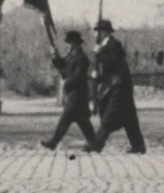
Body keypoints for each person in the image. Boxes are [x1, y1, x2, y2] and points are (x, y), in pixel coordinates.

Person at [90, 19, 146, 154]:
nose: (95, 34)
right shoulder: (102, 46)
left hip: (120, 84)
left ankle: (96, 144)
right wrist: (96, 72)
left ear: (104, 32)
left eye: (97, 31)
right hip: (113, 85)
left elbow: (112, 61)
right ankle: (138, 145)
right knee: (129, 118)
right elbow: (104, 68)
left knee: (109, 115)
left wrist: (100, 51)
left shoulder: (115, 44)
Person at [41, 31, 97, 150]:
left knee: (66, 118)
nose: (67, 45)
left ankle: (53, 142)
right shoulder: (72, 55)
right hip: (74, 93)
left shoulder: (82, 57)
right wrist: (55, 56)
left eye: (69, 43)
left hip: (78, 94)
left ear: (75, 43)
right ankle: (94, 142)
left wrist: (66, 82)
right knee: (82, 120)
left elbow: (78, 75)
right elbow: (62, 65)